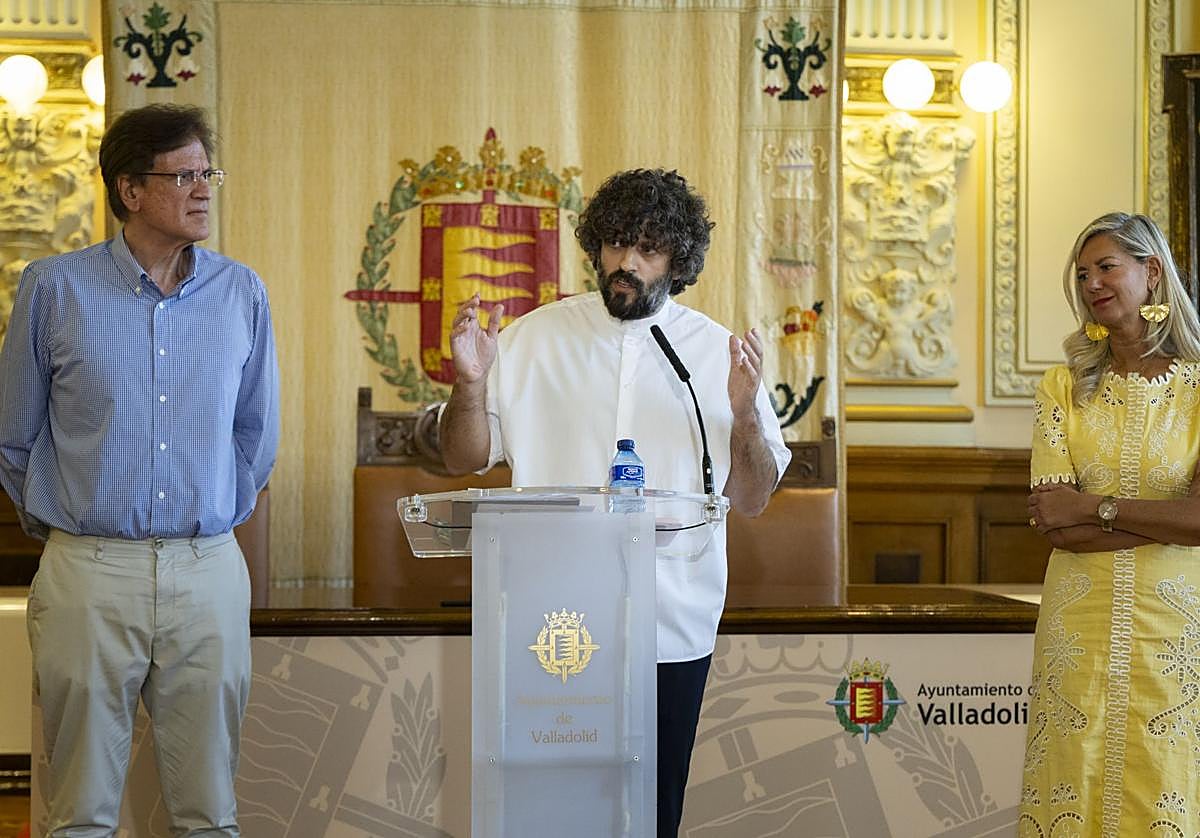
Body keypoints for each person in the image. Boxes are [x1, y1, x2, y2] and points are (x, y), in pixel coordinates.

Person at [439, 168, 791, 836]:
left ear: (678, 262)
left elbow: (751, 498)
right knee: (551, 816)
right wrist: (471, 383)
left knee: (652, 816)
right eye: (616, 242)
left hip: (669, 621)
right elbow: (463, 458)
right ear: (595, 244)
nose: (626, 262)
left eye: (649, 248)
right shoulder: (534, 337)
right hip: (552, 623)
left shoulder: (716, 353)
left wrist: (744, 415)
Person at [0, 104, 279, 835]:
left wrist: (210, 522)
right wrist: (72, 527)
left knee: (209, 815)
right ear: (130, 190)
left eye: (206, 173)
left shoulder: (241, 293)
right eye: (184, 175)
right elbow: (14, 437)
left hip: (207, 568)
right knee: (80, 817)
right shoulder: (54, 289)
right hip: (88, 572)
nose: (204, 190)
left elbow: (255, 435)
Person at [1022, 212, 1200, 836]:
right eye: (1081, 273)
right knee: (1075, 773)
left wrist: (1095, 507)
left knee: (1167, 778)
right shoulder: (1062, 386)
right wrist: (1170, 519)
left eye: (1106, 267)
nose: (1091, 282)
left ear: (1152, 273)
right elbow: (1053, 521)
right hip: (1078, 620)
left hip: (1175, 625)